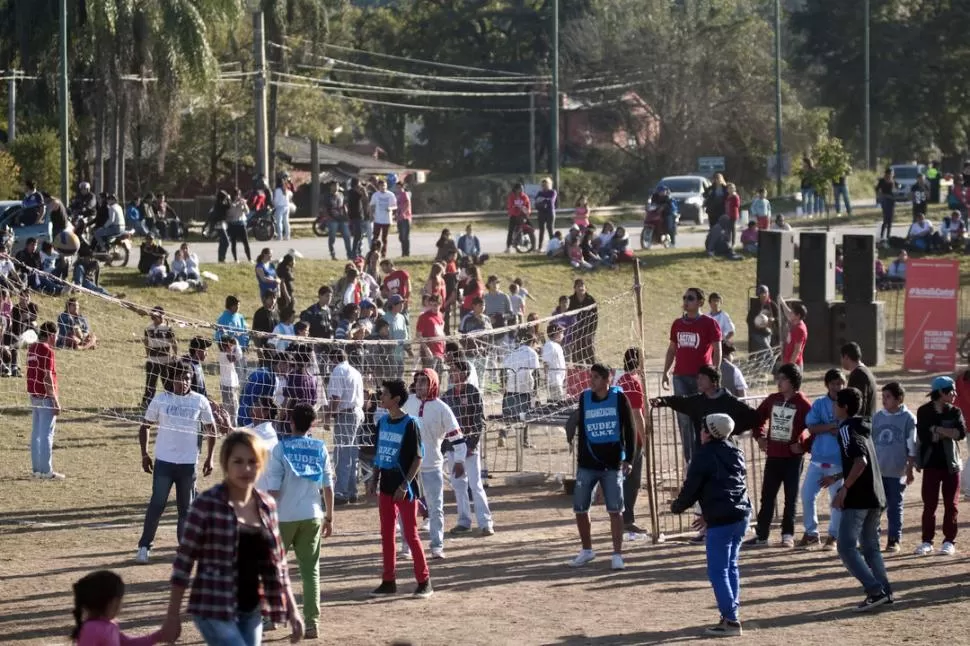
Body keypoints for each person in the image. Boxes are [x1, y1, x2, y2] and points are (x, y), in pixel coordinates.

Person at [161, 431, 304, 643]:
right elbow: (183, 562)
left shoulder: (267, 506)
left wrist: (293, 611)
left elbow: (279, 564)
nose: (246, 468)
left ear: (261, 465)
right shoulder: (206, 505)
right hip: (213, 607)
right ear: (225, 463)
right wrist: (172, 615)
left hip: (252, 609)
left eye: (252, 461)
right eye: (238, 461)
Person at [670, 414, 750, 637]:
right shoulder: (735, 450)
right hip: (740, 515)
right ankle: (730, 614)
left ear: (709, 431)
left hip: (722, 520)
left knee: (717, 571)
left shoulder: (704, 455)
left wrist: (677, 506)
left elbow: (692, 488)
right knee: (731, 566)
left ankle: (731, 621)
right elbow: (730, 487)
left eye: (703, 427)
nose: (700, 431)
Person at [264, 403, 334, 640]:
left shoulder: (280, 449)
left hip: (284, 517)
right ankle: (312, 622)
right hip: (312, 515)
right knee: (310, 572)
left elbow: (272, 490)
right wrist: (329, 517)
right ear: (312, 424)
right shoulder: (320, 447)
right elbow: (328, 487)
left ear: (291, 422)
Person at [136, 361, 217, 564]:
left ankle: (184, 548)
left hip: (188, 464)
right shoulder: (161, 399)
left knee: (185, 509)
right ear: (170, 379)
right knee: (157, 504)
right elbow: (144, 427)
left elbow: (211, 429)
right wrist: (144, 454)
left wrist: (210, 457)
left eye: (187, 378)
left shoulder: (199, 401)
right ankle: (144, 546)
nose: (183, 382)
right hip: (164, 462)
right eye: (179, 378)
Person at [826, 386, 893, 611]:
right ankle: (885, 592)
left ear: (843, 408)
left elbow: (860, 461)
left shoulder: (846, 430)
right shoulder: (862, 426)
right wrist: (837, 476)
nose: (833, 407)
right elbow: (862, 460)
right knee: (870, 548)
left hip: (859, 499)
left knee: (845, 547)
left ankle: (875, 591)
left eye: (836, 404)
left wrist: (844, 488)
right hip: (876, 496)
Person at [565, 363, 636, 570]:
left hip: (612, 465)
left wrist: (629, 458)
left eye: (596, 377)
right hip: (587, 464)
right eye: (591, 376)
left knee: (615, 510)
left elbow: (629, 429)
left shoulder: (619, 398)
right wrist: (580, 459)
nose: (591, 381)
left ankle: (617, 554)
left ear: (607, 380)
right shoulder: (585, 398)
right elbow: (582, 430)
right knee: (580, 508)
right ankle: (587, 550)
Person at [368, 379, 433, 599]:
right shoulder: (382, 422)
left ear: (396, 399)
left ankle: (424, 582)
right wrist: (373, 478)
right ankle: (388, 581)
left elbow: (418, 457)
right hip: (385, 487)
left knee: (411, 534)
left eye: (385, 394)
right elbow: (379, 453)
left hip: (406, 489)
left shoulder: (411, 424)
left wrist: (405, 484)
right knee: (386, 534)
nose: (381, 397)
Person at [402, 369, 466, 559]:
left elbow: (457, 437)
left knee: (435, 507)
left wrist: (460, 460)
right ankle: (406, 547)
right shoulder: (408, 402)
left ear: (433, 384)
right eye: (418, 381)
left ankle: (437, 546)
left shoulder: (442, 408)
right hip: (409, 468)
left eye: (424, 381)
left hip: (432, 466)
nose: (420, 385)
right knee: (406, 509)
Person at [747, 363, 812, 548]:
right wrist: (759, 437)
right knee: (767, 496)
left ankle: (788, 534)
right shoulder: (772, 399)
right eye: (779, 378)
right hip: (773, 456)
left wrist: (804, 446)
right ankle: (761, 535)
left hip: (793, 459)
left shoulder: (803, 403)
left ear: (792, 382)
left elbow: (816, 427)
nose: (779, 382)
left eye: (782, 379)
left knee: (790, 497)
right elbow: (757, 418)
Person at [661, 287, 722, 464]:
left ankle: (706, 456)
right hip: (680, 376)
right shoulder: (677, 324)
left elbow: (717, 349)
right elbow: (672, 349)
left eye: (691, 298)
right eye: (685, 297)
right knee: (684, 419)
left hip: (701, 378)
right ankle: (690, 460)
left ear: (700, 302)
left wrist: (715, 372)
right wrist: (665, 372)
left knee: (703, 418)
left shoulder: (709, 323)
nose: (686, 301)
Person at [440, 359, 494, 536]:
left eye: (455, 370)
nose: (452, 373)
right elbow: (443, 424)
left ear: (465, 373)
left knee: (475, 484)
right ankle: (464, 521)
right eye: (451, 370)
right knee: (458, 485)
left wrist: (471, 444)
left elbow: (480, 421)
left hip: (469, 447)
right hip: (453, 447)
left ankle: (485, 522)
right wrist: (444, 448)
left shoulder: (473, 392)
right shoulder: (446, 396)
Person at [914, 376, 966, 556]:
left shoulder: (955, 411)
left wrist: (937, 429)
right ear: (941, 392)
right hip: (931, 464)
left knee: (951, 505)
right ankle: (927, 541)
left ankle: (949, 541)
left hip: (951, 465)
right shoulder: (923, 411)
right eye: (951, 390)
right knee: (930, 504)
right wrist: (945, 432)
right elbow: (924, 435)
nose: (955, 393)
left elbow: (960, 433)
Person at [798, 369, 847, 550]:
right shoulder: (819, 404)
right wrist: (830, 427)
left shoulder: (848, 403)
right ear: (827, 385)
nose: (838, 387)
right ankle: (811, 532)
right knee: (807, 494)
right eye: (834, 383)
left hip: (838, 461)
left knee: (836, 499)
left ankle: (834, 535)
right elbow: (811, 427)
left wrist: (834, 429)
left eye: (841, 383)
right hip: (818, 458)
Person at [872, 382, 917, 553]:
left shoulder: (908, 418)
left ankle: (893, 539)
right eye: (882, 397)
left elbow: (912, 446)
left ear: (899, 399)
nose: (884, 400)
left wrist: (910, 468)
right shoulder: (877, 417)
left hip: (897, 470)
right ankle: (872, 538)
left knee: (895, 505)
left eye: (888, 397)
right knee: (875, 507)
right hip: (878, 470)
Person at [70, 570, 164, 645]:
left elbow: (128, 643)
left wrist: (156, 637)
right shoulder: (91, 629)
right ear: (113, 603)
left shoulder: (110, 625)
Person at [616, 348, 648, 534]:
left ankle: (624, 517)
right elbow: (637, 415)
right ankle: (626, 519)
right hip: (632, 439)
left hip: (624, 438)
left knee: (628, 479)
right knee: (632, 480)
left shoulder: (622, 380)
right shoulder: (632, 382)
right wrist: (645, 439)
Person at [328, 347, 365, 505]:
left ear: (333, 359)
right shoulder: (355, 371)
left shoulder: (338, 370)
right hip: (358, 413)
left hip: (346, 414)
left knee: (342, 454)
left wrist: (330, 415)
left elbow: (336, 396)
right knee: (352, 454)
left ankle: (342, 492)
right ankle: (351, 491)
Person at [27, 321, 63, 479]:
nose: (56, 339)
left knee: (36, 434)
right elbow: (47, 375)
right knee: (47, 433)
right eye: (56, 335)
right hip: (45, 396)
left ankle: (36, 470)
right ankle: (46, 471)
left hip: (34, 395)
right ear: (51, 335)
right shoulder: (47, 350)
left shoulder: (31, 348)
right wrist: (54, 400)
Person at [501, 330, 541, 447]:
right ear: (532, 342)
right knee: (525, 414)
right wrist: (536, 390)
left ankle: (503, 434)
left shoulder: (513, 352)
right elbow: (536, 373)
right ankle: (525, 440)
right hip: (525, 388)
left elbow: (503, 370)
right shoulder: (532, 353)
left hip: (511, 387)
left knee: (509, 414)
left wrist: (503, 384)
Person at [142, 306, 177, 411]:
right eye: (153, 317)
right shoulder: (149, 328)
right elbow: (147, 343)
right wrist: (147, 354)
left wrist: (175, 354)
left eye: (155, 316)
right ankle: (147, 402)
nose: (153, 318)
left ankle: (171, 400)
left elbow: (173, 342)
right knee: (151, 383)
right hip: (154, 359)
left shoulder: (167, 328)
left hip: (164, 359)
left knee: (167, 382)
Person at [841, 342, 878, 419]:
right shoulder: (865, 371)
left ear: (846, 357)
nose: (841, 361)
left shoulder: (858, 374)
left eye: (841, 357)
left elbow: (858, 403)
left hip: (861, 425)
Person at [567, 279, 598, 365]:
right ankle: (578, 373)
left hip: (588, 332)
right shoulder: (570, 300)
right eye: (578, 286)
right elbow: (566, 315)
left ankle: (592, 370)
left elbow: (595, 318)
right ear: (575, 288)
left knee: (589, 354)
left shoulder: (591, 300)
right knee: (577, 355)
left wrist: (591, 333)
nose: (581, 288)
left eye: (582, 285)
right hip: (575, 332)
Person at [218, 337, 242, 425]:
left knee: (233, 408)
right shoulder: (224, 355)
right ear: (226, 346)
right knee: (231, 409)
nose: (232, 347)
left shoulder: (225, 354)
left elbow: (237, 357)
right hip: (228, 386)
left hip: (230, 385)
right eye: (231, 345)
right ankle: (230, 427)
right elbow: (237, 357)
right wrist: (237, 345)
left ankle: (230, 426)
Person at [369, 179, 396, 255]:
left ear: (386, 186)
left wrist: (390, 208)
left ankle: (383, 253)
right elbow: (372, 206)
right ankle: (373, 251)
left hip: (387, 220)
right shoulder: (376, 195)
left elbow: (395, 206)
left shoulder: (390, 195)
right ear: (379, 186)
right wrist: (371, 215)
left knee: (384, 238)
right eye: (381, 186)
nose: (383, 187)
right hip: (378, 219)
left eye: (384, 185)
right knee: (375, 237)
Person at [541, 324, 567, 403]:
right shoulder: (549, 345)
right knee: (558, 403)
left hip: (560, 379)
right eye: (561, 333)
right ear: (556, 333)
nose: (563, 335)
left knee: (560, 401)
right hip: (554, 380)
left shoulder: (557, 346)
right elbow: (546, 363)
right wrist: (546, 378)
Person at [780, 299, 808, 369]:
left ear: (798, 316)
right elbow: (788, 313)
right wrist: (782, 302)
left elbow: (797, 351)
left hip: (794, 365)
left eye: (792, 312)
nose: (790, 313)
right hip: (788, 362)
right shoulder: (795, 322)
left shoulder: (799, 329)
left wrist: (789, 366)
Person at [227, 188, 252, 263]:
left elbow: (247, 212)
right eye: (236, 195)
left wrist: (244, 205)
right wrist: (236, 204)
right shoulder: (230, 203)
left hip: (241, 224)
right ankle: (235, 259)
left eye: (238, 195)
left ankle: (249, 258)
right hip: (233, 224)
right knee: (233, 243)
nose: (237, 196)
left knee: (246, 242)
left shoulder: (242, 202)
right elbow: (230, 212)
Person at [505, 182, 532, 253]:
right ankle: (508, 247)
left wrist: (528, 211)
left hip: (522, 216)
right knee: (510, 231)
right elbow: (510, 206)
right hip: (514, 215)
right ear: (516, 189)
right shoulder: (512, 196)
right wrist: (515, 208)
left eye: (522, 188)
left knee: (528, 227)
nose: (522, 190)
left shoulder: (524, 196)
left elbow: (528, 206)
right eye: (520, 189)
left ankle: (529, 243)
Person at [346, 177, 368, 256]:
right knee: (358, 235)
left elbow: (365, 199)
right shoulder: (352, 192)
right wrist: (363, 189)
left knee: (360, 235)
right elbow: (365, 197)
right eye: (359, 184)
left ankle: (358, 252)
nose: (360, 185)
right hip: (355, 217)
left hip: (359, 216)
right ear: (356, 184)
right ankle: (354, 252)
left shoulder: (353, 192)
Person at [535, 177, 557, 250]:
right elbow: (536, 201)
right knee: (541, 230)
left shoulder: (553, 192)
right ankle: (540, 247)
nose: (544, 186)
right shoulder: (539, 193)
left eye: (546, 184)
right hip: (541, 213)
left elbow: (551, 201)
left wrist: (543, 199)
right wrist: (544, 200)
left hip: (550, 213)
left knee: (550, 229)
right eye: (543, 185)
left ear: (549, 184)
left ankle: (552, 247)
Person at [273, 172, 294, 241]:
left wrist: (274, 205)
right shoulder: (287, 190)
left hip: (280, 207)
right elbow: (291, 196)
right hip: (286, 206)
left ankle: (280, 236)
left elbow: (276, 200)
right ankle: (287, 236)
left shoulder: (277, 190)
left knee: (279, 222)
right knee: (286, 222)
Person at [876, 168, 896, 241]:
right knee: (885, 219)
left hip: (891, 201)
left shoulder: (893, 181)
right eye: (891, 173)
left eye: (892, 173)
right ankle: (882, 236)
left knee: (890, 219)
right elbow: (877, 189)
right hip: (885, 201)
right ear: (887, 173)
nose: (892, 174)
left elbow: (896, 189)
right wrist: (879, 198)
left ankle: (888, 236)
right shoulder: (882, 181)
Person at [394, 180, 412, 257]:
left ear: (402, 187)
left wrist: (403, 212)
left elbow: (407, 203)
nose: (398, 189)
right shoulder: (397, 195)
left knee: (405, 236)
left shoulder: (405, 194)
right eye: (397, 187)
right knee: (401, 236)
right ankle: (403, 252)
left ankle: (406, 253)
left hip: (405, 218)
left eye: (399, 187)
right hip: (399, 218)